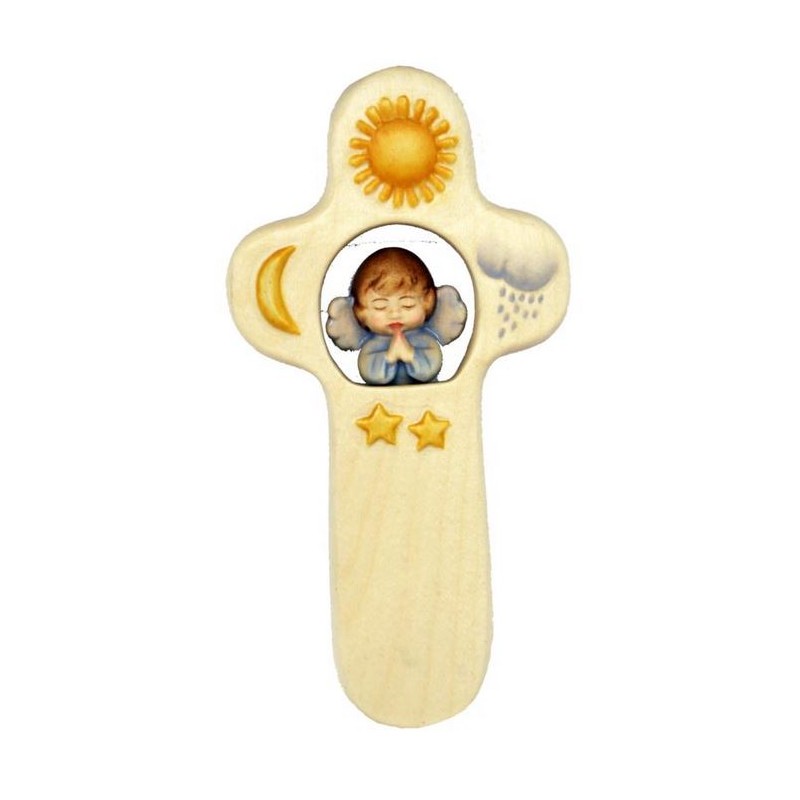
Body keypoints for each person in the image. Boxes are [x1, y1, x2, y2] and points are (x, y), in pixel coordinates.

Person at [326, 247, 467, 385]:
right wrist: (389, 356)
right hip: (380, 398)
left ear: (428, 302)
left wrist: (410, 354)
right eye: (380, 306)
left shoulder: (426, 341)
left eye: (407, 304)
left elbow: (430, 368)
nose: (394, 314)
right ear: (360, 312)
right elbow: (370, 373)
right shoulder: (372, 346)